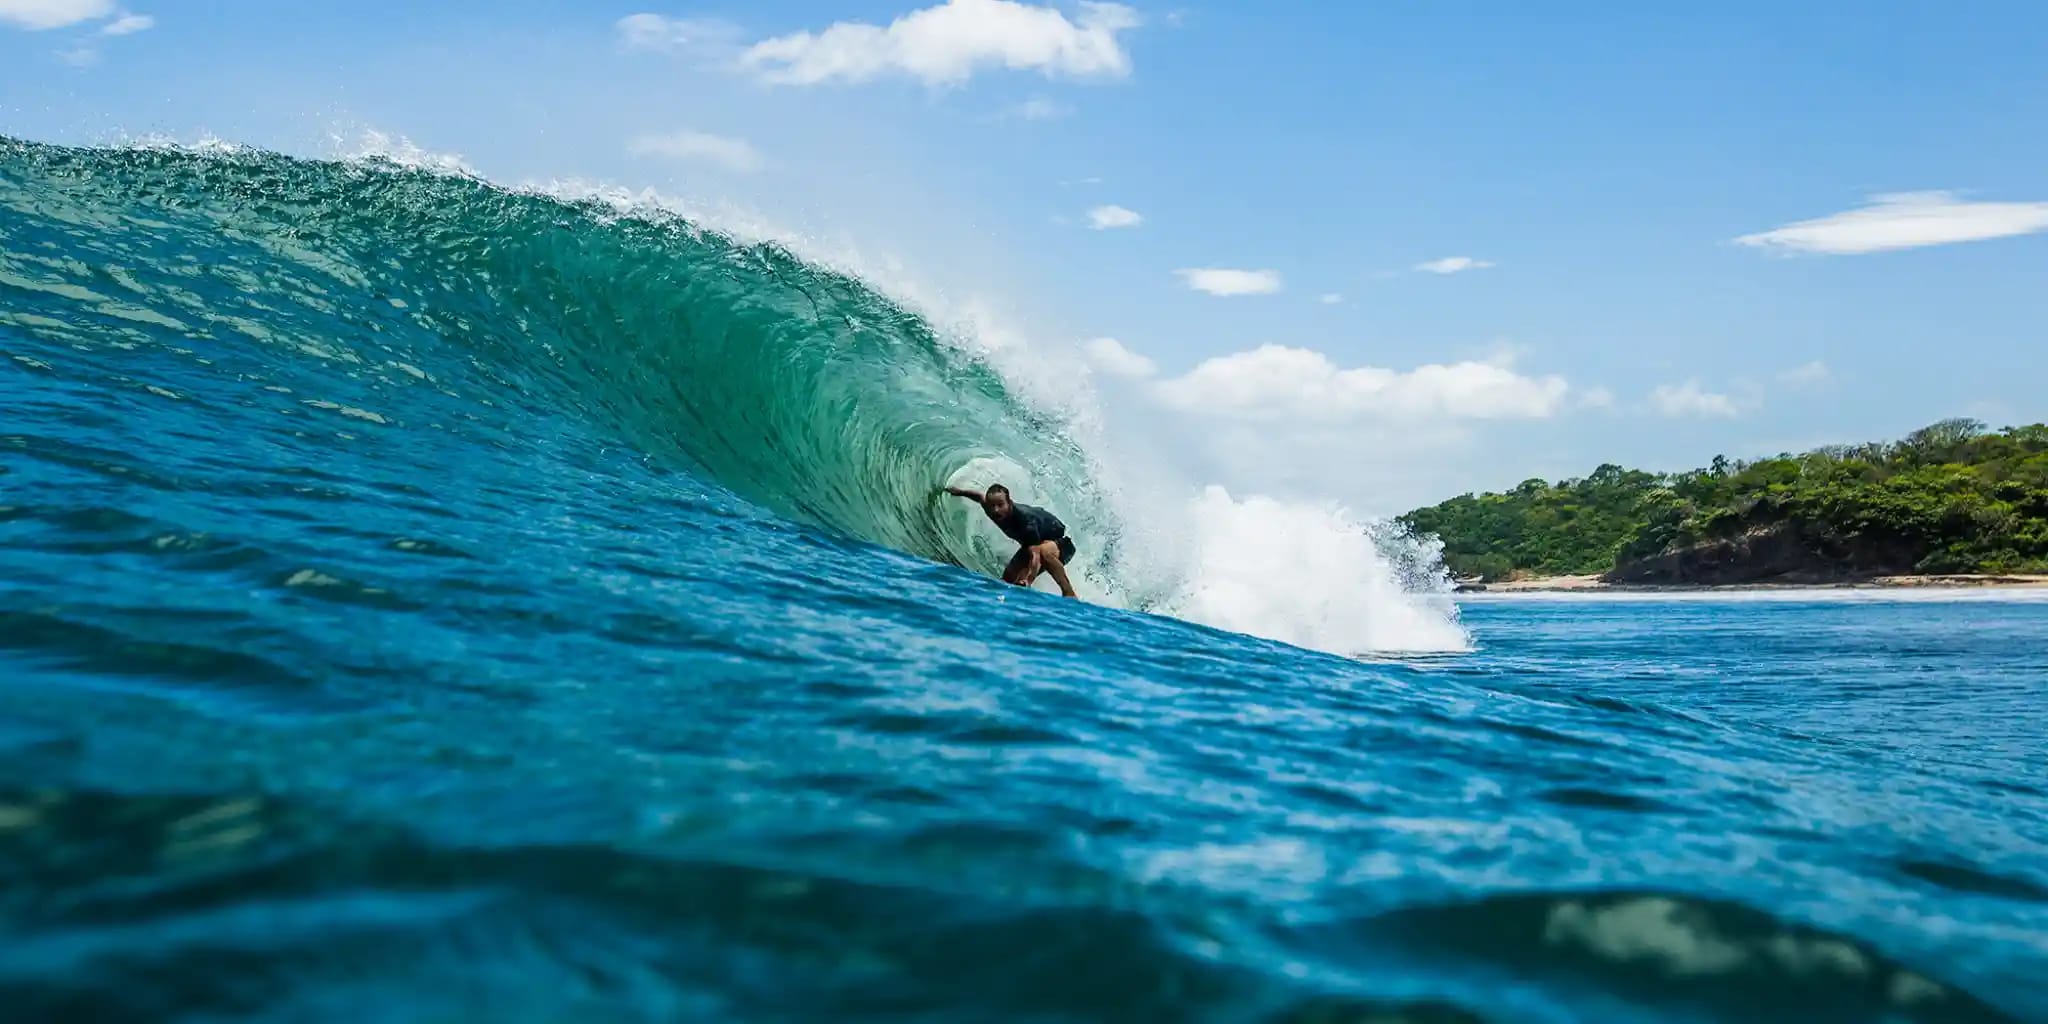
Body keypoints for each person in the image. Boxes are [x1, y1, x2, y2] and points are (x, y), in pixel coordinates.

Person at [942, 483, 1078, 598]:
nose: (996, 510)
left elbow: (1035, 557)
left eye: (1000, 505)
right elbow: (978, 497)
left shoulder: (1025, 522)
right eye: (992, 505)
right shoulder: (989, 508)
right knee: (1007, 582)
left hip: (1061, 543)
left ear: (1010, 503)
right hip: (1033, 543)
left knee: (1043, 552)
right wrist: (958, 492)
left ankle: (1069, 593)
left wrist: (1028, 579)